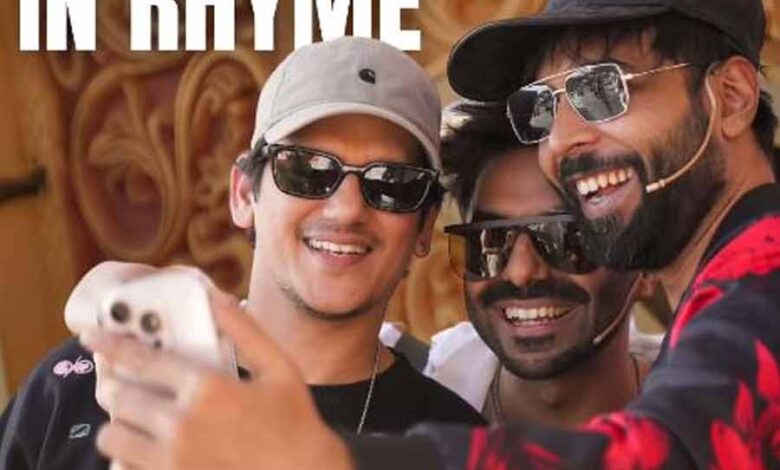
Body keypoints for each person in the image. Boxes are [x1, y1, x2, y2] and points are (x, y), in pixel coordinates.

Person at [43, 0, 780, 466]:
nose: (562, 141)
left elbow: (664, 454)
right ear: (243, 192)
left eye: (603, 90)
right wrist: (117, 293)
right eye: (547, 106)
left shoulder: (763, 277)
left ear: (733, 96)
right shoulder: (454, 369)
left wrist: (315, 458)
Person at [0, 37, 484, 470]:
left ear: (424, 227)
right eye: (307, 169)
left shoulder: (455, 448)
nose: (347, 209)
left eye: (393, 183)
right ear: (244, 195)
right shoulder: (92, 377)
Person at [425, 101, 662, 426]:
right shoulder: (413, 418)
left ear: (647, 268)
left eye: (568, 239)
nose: (521, 272)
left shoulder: (714, 427)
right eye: (492, 240)